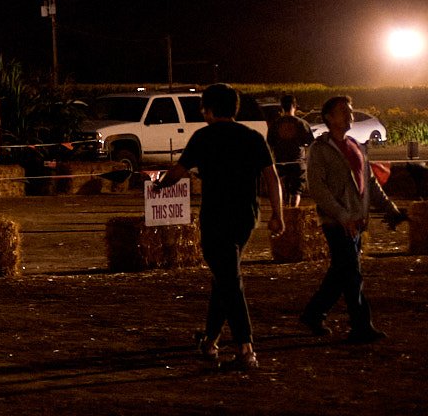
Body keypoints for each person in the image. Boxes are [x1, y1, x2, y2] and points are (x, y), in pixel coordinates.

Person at [152, 83, 285, 370]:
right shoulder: (252, 137)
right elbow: (272, 177)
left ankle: (245, 347)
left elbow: (178, 171)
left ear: (207, 110)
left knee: (229, 280)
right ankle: (210, 340)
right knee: (225, 277)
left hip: (215, 216)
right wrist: (278, 213)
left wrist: (160, 184)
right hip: (246, 216)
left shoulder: (203, 137)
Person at [299, 94, 403, 345]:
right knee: (352, 274)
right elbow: (318, 189)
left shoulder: (356, 146)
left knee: (340, 273)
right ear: (328, 118)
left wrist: (390, 209)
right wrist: (342, 215)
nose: (350, 115)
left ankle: (313, 314)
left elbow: (369, 183)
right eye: (343, 111)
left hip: (355, 220)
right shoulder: (320, 150)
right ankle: (361, 325)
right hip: (337, 222)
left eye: (350, 110)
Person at [268, 94, 315, 208]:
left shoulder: (275, 124)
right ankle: (293, 214)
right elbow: (311, 143)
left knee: (282, 190)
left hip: (280, 162)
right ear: (294, 106)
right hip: (297, 163)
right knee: (296, 192)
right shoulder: (302, 124)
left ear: (282, 107)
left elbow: (269, 143)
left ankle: (282, 214)